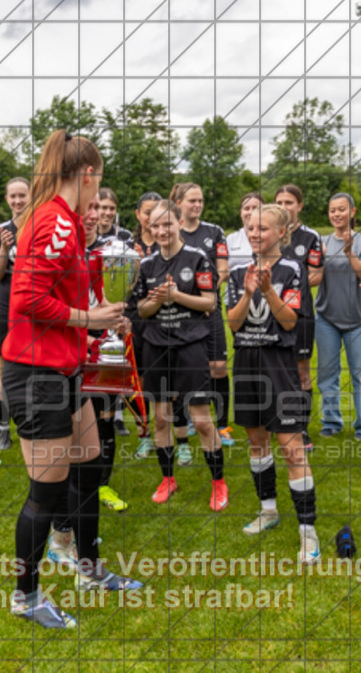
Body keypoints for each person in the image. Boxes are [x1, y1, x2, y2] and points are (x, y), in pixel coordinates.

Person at [2, 130, 141, 630]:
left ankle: (88, 569)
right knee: (45, 491)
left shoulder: (67, 223)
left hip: (65, 367)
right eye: (97, 181)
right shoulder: (54, 222)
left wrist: (99, 317)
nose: (97, 192)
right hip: (37, 374)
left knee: (88, 464)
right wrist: (89, 320)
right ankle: (25, 596)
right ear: (86, 175)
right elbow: (27, 300)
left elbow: (65, 298)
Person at [228, 204, 319, 563]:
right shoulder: (238, 272)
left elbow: (288, 322)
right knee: (256, 442)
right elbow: (233, 324)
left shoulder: (292, 269)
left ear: (281, 233)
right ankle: (268, 510)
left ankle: (307, 532)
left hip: (278, 364)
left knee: (292, 448)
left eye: (262, 228)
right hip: (247, 364)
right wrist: (249, 292)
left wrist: (267, 291)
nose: (254, 234)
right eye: (250, 228)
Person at [135, 199, 226, 510]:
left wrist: (176, 296)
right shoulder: (146, 265)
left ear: (178, 222)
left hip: (190, 347)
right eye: (156, 225)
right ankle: (168, 479)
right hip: (156, 348)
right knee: (161, 418)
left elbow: (210, 303)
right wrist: (158, 301)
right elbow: (142, 310)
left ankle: (218, 483)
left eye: (167, 224)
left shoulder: (198, 258)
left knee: (201, 421)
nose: (162, 230)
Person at [171, 182, 234, 449]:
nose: (197, 205)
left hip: (209, 310)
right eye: (191, 201)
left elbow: (224, 271)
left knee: (217, 369)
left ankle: (222, 426)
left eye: (200, 200)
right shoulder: (172, 230)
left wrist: (204, 295)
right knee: (182, 370)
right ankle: (186, 422)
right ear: (179, 203)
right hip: (181, 315)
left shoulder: (214, 232)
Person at [81, 195, 128, 513]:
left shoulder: (114, 252)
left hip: (107, 344)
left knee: (106, 415)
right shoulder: (60, 254)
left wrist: (123, 322)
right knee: (78, 419)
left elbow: (123, 296)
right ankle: (77, 483)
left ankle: (102, 485)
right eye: (87, 208)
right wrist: (81, 337)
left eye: (97, 209)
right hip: (72, 344)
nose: (93, 215)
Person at [315, 193, 361, 440]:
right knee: (327, 373)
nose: (336, 214)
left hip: (358, 319)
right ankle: (331, 421)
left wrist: (350, 252)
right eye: (332, 210)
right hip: (326, 317)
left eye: (341, 209)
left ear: (352, 211)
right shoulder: (322, 242)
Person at [275, 184, 324, 438]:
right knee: (273, 367)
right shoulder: (269, 231)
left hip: (301, 313)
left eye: (289, 203)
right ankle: (276, 422)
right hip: (271, 313)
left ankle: (301, 428)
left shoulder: (310, 237)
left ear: (299, 206)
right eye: (280, 202)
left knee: (301, 370)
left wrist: (289, 280)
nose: (284, 207)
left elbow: (316, 275)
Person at [0, 177, 30, 452]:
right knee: (6, 369)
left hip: (34, 304)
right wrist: (4, 248)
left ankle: (33, 423)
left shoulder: (41, 228)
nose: (17, 201)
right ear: (6, 199)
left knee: (37, 366)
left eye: (22, 195)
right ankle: (5, 429)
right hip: (7, 305)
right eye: (12, 196)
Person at [127, 191, 164, 461]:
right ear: (138, 215)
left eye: (156, 211)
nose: (151, 217)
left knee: (163, 378)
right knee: (136, 379)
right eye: (146, 211)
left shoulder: (170, 241)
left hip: (166, 320)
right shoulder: (126, 244)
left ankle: (175, 433)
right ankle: (144, 434)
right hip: (135, 318)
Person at [95, 187, 132, 436]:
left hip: (115, 302)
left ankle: (117, 414)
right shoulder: (85, 235)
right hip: (92, 305)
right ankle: (95, 413)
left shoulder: (125, 237)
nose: (106, 213)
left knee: (115, 360)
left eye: (111, 208)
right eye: (102, 207)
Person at [225, 191, 263, 270]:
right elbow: (223, 269)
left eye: (255, 208)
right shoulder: (231, 239)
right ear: (241, 213)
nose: (250, 212)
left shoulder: (270, 237)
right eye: (246, 208)